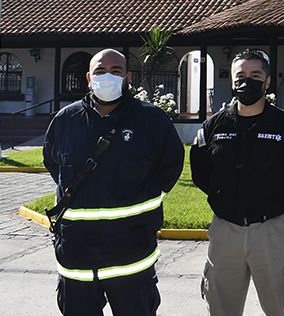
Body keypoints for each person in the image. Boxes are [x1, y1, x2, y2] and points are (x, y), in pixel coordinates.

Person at [43, 49, 185, 316]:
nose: (107, 76)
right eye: (99, 71)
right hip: (77, 256)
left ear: (127, 77)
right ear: (88, 77)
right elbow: (53, 163)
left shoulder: (151, 120)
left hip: (130, 255)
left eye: (116, 71)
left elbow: (170, 168)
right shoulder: (65, 121)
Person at [190, 49, 284, 316]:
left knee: (281, 308)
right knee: (220, 308)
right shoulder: (213, 127)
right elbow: (201, 172)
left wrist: (278, 204)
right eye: (240, 75)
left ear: (267, 81)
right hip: (226, 231)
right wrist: (225, 198)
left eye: (255, 75)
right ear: (232, 80)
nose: (246, 81)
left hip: (272, 231)